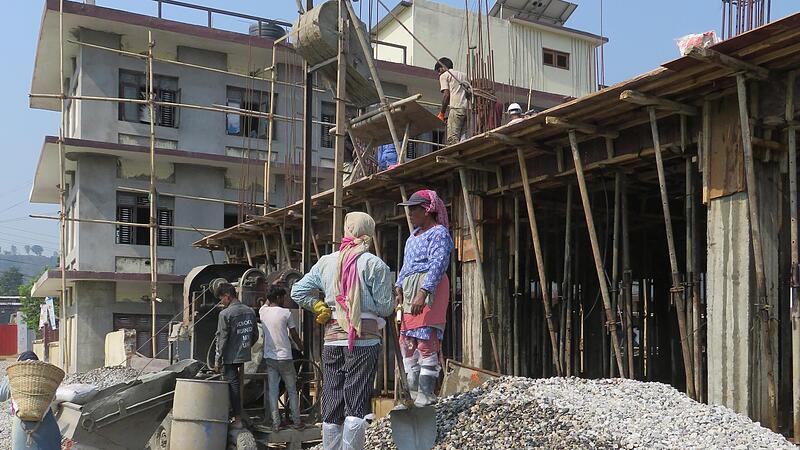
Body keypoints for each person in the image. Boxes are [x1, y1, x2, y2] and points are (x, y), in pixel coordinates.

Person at [291, 212, 394, 450]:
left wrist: (319, 305)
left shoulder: (327, 261)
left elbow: (298, 291)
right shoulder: (374, 264)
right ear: (369, 232)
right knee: (356, 400)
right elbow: (386, 308)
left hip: (332, 339)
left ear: (346, 231)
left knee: (332, 397)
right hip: (364, 340)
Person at [395, 190, 454, 407]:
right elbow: (406, 265)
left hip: (429, 288)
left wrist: (424, 291)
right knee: (407, 340)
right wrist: (399, 286)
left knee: (425, 338)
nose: (410, 214)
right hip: (410, 289)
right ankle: (412, 394)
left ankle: (426, 393)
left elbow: (438, 263)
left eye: (414, 209)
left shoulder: (438, 233)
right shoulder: (413, 237)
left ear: (427, 210)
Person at [259, 285, 304, 431]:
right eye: (283, 297)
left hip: (270, 358)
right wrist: (301, 347)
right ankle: (297, 422)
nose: (285, 300)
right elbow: (294, 334)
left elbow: (266, 302)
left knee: (272, 391)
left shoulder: (262, 312)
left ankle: (276, 424)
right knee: (291, 389)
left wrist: (273, 286)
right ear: (278, 298)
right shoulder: (286, 313)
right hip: (285, 357)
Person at [214, 282, 258, 426]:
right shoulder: (250, 311)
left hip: (229, 357)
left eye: (221, 299)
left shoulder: (225, 314)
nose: (221, 302)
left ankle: (236, 418)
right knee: (237, 384)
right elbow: (255, 335)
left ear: (227, 296)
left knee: (232, 385)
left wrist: (217, 361)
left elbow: (222, 339)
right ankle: (237, 415)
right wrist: (244, 346)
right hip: (243, 355)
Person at [0, 351, 62, 450]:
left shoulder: (15, 375)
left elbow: (1, 395)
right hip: (46, 424)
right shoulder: (45, 375)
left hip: (21, 425)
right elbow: (53, 398)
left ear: (19, 363)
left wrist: (7, 377)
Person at [435, 57, 471, 146]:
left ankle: (457, 154)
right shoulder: (464, 75)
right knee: (463, 137)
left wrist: (442, 113)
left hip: (456, 108)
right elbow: (469, 93)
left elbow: (446, 95)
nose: (439, 73)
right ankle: (464, 151)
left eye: (439, 70)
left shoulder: (445, 75)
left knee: (452, 138)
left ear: (443, 67)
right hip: (467, 109)